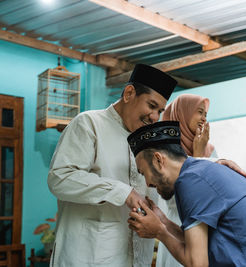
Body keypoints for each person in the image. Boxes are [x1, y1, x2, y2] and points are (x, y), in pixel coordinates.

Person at [47, 64, 178, 267]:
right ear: (129, 93)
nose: (155, 117)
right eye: (151, 106)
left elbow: (176, 170)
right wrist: (122, 192)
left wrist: (215, 164)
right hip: (87, 259)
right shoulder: (89, 124)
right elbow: (60, 178)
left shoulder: (150, 142)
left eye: (160, 110)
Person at [127, 121, 246, 267]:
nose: (148, 183)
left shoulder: (190, 181)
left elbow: (197, 263)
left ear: (158, 160)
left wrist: (159, 232)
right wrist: (163, 221)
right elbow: (196, 244)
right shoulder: (202, 171)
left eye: (143, 173)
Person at [157, 94, 216, 267]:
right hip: (177, 228)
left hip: (205, 232)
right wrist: (197, 157)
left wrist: (201, 153)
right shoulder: (165, 152)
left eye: (206, 114)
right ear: (181, 113)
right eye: (199, 112)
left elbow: (213, 194)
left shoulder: (210, 150)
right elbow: (176, 199)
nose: (204, 118)